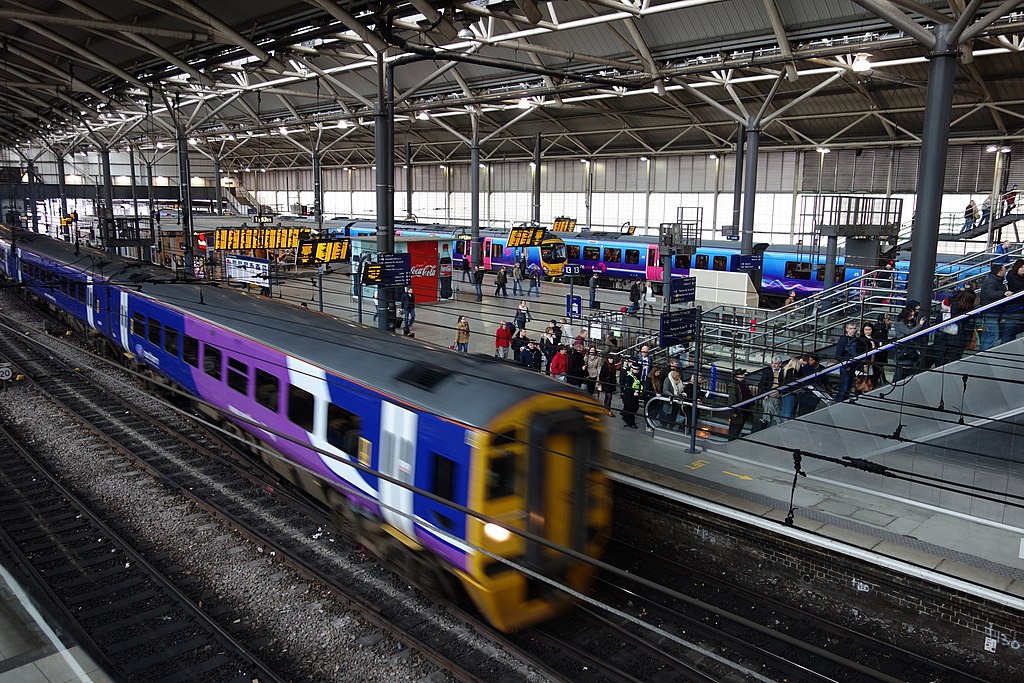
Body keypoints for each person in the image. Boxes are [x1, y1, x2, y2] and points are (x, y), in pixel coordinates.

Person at [978, 263, 1010, 351]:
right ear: (999, 272)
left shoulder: (993, 280)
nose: (1005, 271)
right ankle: (984, 354)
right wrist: (1003, 293)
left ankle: (982, 352)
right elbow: (990, 293)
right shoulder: (992, 281)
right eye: (1004, 270)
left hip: (990, 311)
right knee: (993, 335)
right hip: (991, 311)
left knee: (987, 334)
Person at [892, 304, 926, 381]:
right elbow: (909, 332)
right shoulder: (899, 323)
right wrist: (920, 325)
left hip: (909, 349)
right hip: (902, 349)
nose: (912, 317)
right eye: (911, 315)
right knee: (899, 373)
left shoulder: (908, 322)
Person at [834, 322, 859, 402]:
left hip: (852, 366)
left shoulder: (855, 339)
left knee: (848, 387)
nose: (853, 330)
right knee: (844, 387)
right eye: (851, 329)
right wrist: (846, 366)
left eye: (854, 328)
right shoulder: (844, 339)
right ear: (846, 329)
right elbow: (838, 355)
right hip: (846, 367)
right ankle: (839, 402)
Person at [727, 369, 754, 440]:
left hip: (744, 409)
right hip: (739, 411)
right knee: (735, 429)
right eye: (742, 374)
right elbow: (732, 398)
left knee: (738, 427)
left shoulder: (743, 383)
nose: (744, 375)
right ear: (738, 376)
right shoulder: (734, 385)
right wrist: (733, 411)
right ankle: (731, 443)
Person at [756, 357, 783, 428]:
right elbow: (762, 384)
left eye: (776, 363)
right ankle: (769, 424)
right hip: (768, 396)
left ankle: (771, 425)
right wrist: (765, 394)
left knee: (775, 411)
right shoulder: (767, 371)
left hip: (778, 397)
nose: (774, 365)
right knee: (768, 409)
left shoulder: (783, 372)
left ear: (780, 364)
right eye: (772, 363)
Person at [1001, 258, 1024, 344]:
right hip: (1014, 308)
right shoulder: (1012, 276)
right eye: (1021, 267)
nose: (1023, 269)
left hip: (1020, 308)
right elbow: (1020, 286)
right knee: (1009, 331)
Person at [855, 322, 883, 390]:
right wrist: (864, 365)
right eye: (866, 330)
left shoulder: (874, 338)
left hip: (873, 363)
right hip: (864, 364)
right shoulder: (861, 340)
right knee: (861, 384)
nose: (867, 331)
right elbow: (860, 353)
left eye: (869, 329)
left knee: (871, 383)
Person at [779, 356, 804, 422]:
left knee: (783, 410)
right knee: (789, 412)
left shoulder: (784, 369)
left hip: (784, 392)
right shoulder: (795, 371)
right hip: (792, 393)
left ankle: (781, 424)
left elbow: (780, 380)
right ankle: (786, 425)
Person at [620, 363, 642, 429]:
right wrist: (633, 392)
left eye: (638, 369)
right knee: (631, 409)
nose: (637, 370)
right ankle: (631, 423)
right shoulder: (630, 376)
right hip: (629, 395)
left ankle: (625, 416)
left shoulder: (637, 376)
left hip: (634, 395)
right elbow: (628, 386)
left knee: (634, 407)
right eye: (636, 369)